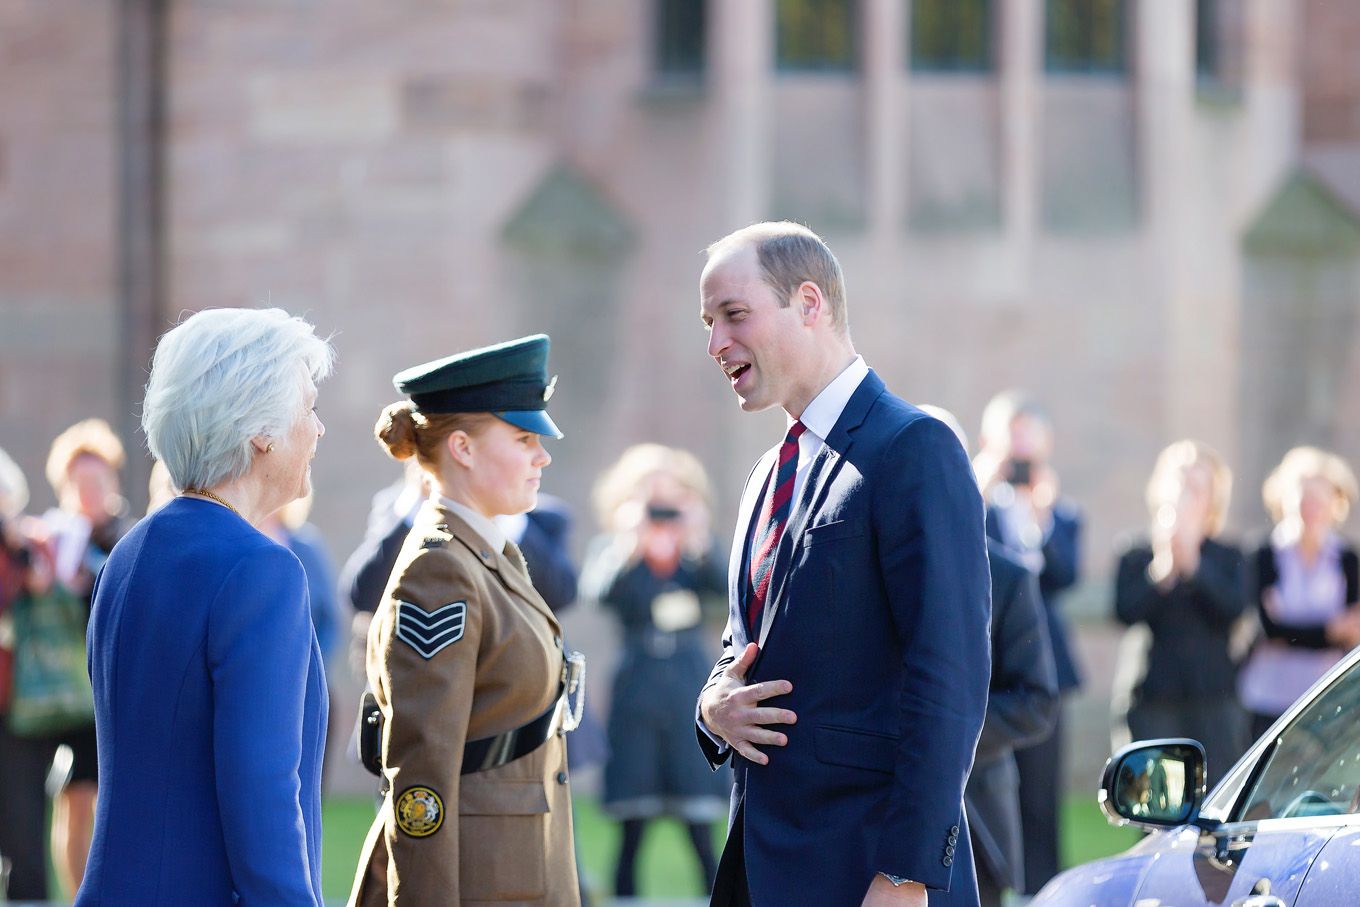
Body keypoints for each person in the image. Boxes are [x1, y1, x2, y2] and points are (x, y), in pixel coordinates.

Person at [694, 222, 991, 906]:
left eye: (734, 315)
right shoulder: (767, 474)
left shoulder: (914, 447)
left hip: (871, 877)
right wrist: (711, 707)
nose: (715, 343)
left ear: (809, 303)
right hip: (763, 872)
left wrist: (908, 870)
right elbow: (739, 652)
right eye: (708, 322)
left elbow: (950, 674)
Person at [75, 307, 334, 906]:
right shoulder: (261, 569)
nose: (318, 429)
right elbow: (262, 795)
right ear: (262, 431)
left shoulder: (131, 550)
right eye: (309, 406)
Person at [348, 334, 581, 906]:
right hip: (478, 879)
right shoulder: (439, 570)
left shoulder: (487, 554)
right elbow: (421, 766)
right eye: (523, 438)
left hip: (513, 869)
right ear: (463, 448)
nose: (542, 455)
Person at [919, 406, 1059, 907]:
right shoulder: (862, 572)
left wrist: (945, 731)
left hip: (976, 815)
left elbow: (1036, 702)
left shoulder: (1010, 577)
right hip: (875, 815)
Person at [583, 443, 727, 896]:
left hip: (687, 676)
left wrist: (698, 542)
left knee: (700, 823)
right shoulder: (619, 546)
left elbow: (726, 593)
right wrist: (630, 542)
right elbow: (599, 595)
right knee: (633, 820)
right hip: (638, 678)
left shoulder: (695, 548)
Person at [973, 390, 1081, 895]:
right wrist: (981, 485)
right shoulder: (976, 499)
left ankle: (1044, 891)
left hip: (1041, 664)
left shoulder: (1061, 513)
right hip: (988, 668)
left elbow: (1064, 576)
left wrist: (1040, 519)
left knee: (1042, 792)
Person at [1114, 441, 1248, 785]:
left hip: (1212, 697)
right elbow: (1124, 612)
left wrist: (1195, 569)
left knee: (1215, 795)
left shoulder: (1228, 553)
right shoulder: (1136, 552)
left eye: (1196, 488)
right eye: (1180, 484)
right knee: (1153, 804)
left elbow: (1234, 610)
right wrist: (1162, 572)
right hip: (1153, 695)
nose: (1186, 495)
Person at [39, 418, 133, 898]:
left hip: (110, 688)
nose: (90, 492)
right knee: (73, 797)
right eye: (80, 483)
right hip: (60, 690)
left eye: (98, 480)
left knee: (105, 799)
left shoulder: (127, 538)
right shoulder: (51, 541)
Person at [1238, 446, 1360, 740]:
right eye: (1303, 497)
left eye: (1320, 498)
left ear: (1336, 503)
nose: (1311, 507)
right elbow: (1268, 628)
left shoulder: (1346, 559)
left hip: (1327, 696)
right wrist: (1330, 630)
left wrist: (1291, 631)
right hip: (1268, 697)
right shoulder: (1264, 554)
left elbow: (1353, 631)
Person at [0, 446, 55, 902]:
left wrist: (17, 546)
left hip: (20, 704)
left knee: (24, 822)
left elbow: (44, 584)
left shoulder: (26, 543)